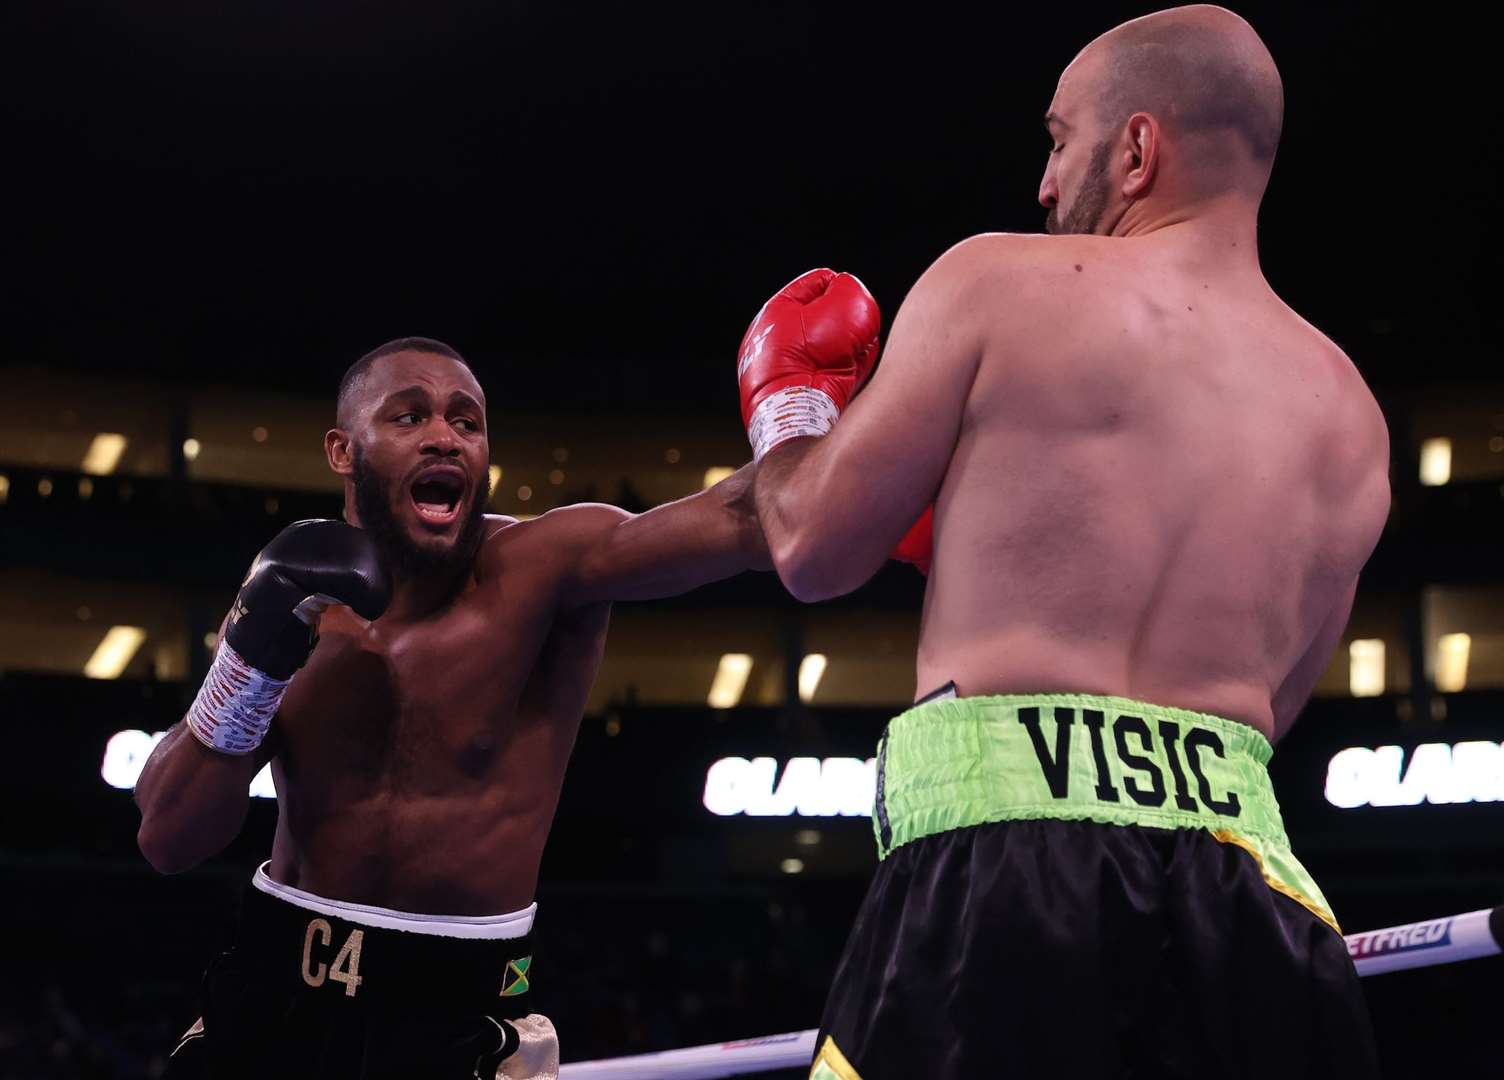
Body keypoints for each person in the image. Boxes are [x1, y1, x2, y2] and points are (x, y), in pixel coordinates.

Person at [736, 6, 1391, 1078]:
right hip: (1256, 905)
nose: (1045, 184)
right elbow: (1268, 710)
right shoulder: (1351, 417)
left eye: (1059, 141)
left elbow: (810, 545)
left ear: (1135, 149)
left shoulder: (995, 284)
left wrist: (791, 413)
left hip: (1002, 884)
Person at [132, 334, 834, 1079]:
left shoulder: (545, 570)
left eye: (467, 422)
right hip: (270, 999)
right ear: (343, 450)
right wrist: (250, 658)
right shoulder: (300, 601)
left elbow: (751, 519)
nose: (445, 436)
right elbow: (169, 837)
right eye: (409, 417)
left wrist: (796, 404)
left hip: (455, 1014)